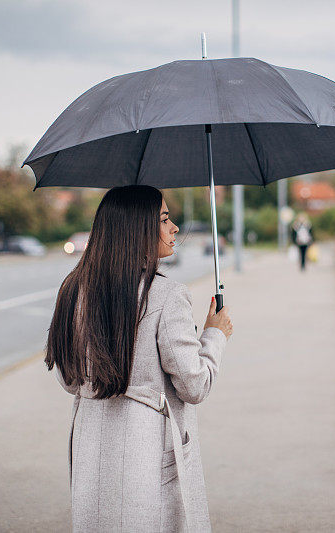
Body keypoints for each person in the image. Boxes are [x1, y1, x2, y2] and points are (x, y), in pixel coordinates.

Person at [46, 185, 233, 532]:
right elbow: (194, 385)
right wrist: (214, 334)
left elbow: (69, 380)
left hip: (92, 449)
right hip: (148, 452)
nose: (174, 227)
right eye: (164, 219)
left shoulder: (73, 290)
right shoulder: (166, 295)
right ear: (137, 230)